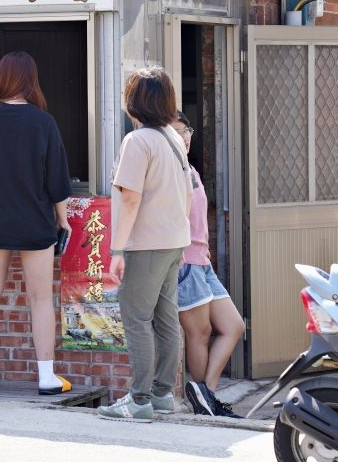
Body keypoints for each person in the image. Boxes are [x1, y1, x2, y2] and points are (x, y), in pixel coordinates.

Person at [0, 51, 73, 396]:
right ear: (31, 80)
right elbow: (57, 181)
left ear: (2, 78)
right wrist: (64, 220)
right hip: (34, 222)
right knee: (40, 299)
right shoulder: (43, 122)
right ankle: (45, 376)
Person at [98, 67, 192, 422]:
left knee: (136, 318)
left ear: (134, 101)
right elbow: (188, 193)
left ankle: (138, 400)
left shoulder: (137, 142)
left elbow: (131, 199)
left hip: (145, 243)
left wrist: (117, 250)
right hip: (172, 240)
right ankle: (162, 393)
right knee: (166, 318)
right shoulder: (171, 136)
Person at [172, 112, 245, 418]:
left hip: (202, 263)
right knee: (199, 333)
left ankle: (206, 393)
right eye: (176, 132)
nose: (184, 136)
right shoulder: (171, 172)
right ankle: (204, 402)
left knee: (234, 326)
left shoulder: (191, 171)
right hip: (184, 264)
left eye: (186, 129)